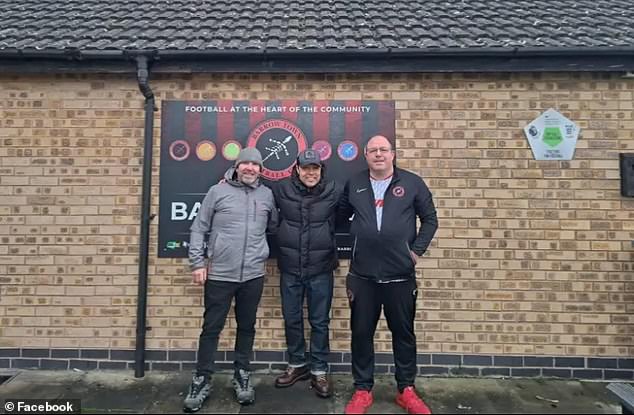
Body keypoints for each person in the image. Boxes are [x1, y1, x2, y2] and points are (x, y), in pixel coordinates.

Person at [338, 135, 438, 415]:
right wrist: (360, 240)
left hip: (400, 276)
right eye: (373, 150)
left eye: (384, 150)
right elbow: (341, 215)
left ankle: (406, 390)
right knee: (361, 333)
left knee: (403, 334)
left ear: (392, 154)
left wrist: (415, 250)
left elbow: (430, 219)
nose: (378, 154)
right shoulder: (355, 183)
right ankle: (362, 390)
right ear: (366, 156)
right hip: (362, 276)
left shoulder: (412, 183)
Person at [184, 147, 278, 413]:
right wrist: (197, 263)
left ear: (261, 169)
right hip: (220, 274)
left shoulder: (267, 195)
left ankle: (242, 373)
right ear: (237, 166)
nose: (250, 168)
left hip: (253, 274)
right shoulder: (218, 192)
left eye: (255, 164)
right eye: (245, 163)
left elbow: (273, 228)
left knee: (247, 327)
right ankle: (202, 379)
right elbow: (199, 228)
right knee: (211, 328)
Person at [272, 149, 339, 398]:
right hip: (290, 267)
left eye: (315, 168)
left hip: (321, 268)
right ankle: (297, 364)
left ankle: (319, 370)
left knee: (320, 322)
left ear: (321, 170)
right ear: (297, 169)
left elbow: (342, 218)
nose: (310, 173)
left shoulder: (333, 191)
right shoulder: (281, 189)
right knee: (292, 318)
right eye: (306, 168)